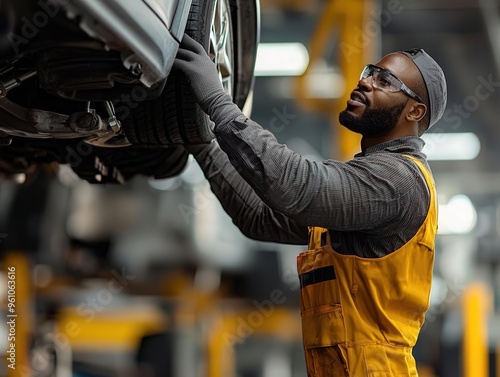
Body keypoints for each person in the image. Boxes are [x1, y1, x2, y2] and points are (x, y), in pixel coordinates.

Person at [174, 34, 447, 376]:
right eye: (369, 71)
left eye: (384, 80)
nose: (365, 81)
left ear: (415, 111)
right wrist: (197, 138)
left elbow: (295, 185)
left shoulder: (399, 180)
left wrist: (216, 101)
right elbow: (257, 217)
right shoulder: (367, 185)